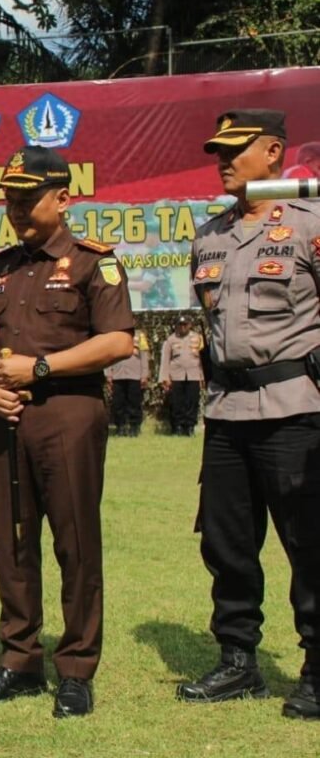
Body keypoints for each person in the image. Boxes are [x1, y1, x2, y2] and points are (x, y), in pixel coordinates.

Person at [0, 145, 134, 718]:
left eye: (28, 197)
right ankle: (19, 660)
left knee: (75, 543)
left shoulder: (93, 263)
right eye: (10, 197)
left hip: (69, 414)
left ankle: (77, 669)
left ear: (62, 198)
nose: (16, 207)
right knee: (11, 542)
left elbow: (117, 342)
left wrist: (39, 368)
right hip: (5, 420)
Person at [177, 109, 320, 721]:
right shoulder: (208, 234)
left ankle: (317, 668)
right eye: (218, 150)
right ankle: (238, 661)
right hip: (227, 412)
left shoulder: (312, 225)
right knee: (227, 542)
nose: (224, 159)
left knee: (309, 544)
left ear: (274, 152)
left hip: (295, 408)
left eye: (237, 149)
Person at [159, 315, 205, 436]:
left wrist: (203, 377)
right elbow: (165, 360)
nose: (183, 327)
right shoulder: (171, 340)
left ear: (190, 325)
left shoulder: (197, 338)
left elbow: (202, 359)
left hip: (193, 375)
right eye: (180, 325)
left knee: (192, 402)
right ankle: (177, 427)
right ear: (176, 326)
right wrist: (165, 378)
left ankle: (190, 427)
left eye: (185, 324)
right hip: (176, 376)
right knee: (176, 402)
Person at [105, 330, 150, 436]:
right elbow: (108, 354)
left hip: (134, 375)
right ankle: (120, 426)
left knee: (134, 402)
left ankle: (134, 427)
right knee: (118, 403)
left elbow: (144, 356)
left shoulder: (140, 336)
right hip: (117, 374)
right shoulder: (113, 335)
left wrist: (144, 374)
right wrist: (108, 373)